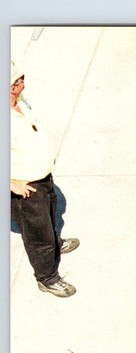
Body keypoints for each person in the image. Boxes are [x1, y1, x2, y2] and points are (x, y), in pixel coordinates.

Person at [10, 59, 79, 297]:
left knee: (50, 217)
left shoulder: (19, 103)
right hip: (27, 187)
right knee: (38, 235)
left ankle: (56, 245)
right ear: (10, 87)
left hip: (43, 177)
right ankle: (47, 277)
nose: (23, 83)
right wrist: (12, 185)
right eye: (19, 81)